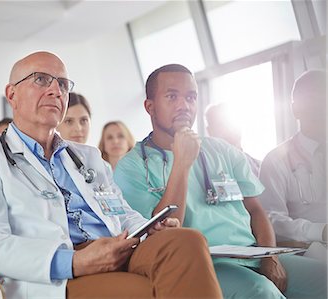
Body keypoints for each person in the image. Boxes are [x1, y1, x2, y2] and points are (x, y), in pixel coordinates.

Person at [0, 51, 223, 299]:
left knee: (187, 241)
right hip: (55, 271)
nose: (55, 90)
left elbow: (120, 213)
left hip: (116, 248)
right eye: (41, 79)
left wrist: (148, 225)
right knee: (141, 291)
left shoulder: (88, 156)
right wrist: (73, 261)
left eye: (62, 83)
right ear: (12, 94)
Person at [114, 64, 327, 299]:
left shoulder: (223, 150)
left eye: (191, 97)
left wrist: (270, 257)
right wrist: (182, 164)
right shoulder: (131, 167)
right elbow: (164, 236)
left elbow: (257, 210)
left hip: (254, 254)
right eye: (172, 96)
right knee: (261, 292)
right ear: (150, 106)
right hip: (204, 264)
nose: (184, 105)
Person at [259, 70, 327, 261]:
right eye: (314, 101)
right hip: (309, 250)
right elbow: (271, 219)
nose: (322, 108)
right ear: (295, 110)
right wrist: (320, 231)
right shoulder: (276, 160)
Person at [205, 102, 261, 176]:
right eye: (221, 124)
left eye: (230, 122)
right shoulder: (209, 169)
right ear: (210, 131)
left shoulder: (260, 166)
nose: (229, 128)